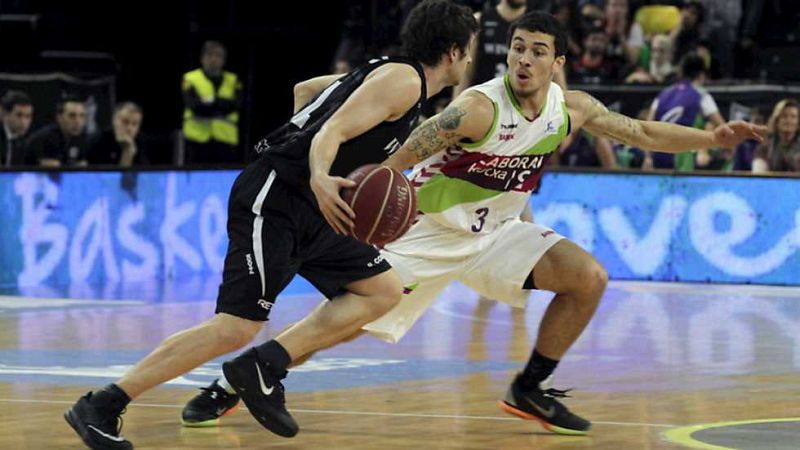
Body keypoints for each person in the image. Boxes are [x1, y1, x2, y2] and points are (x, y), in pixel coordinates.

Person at [178, 10, 764, 438]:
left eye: (538, 50)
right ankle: (239, 379)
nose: (524, 59)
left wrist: (710, 139)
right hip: (426, 232)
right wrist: (359, 184)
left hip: (495, 235)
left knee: (588, 278)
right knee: (348, 321)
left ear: (558, 62)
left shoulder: (573, 107)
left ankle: (529, 388)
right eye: (516, 48)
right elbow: (399, 156)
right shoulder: (477, 108)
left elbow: (641, 132)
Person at [64, 1, 478, 448]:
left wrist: (327, 167)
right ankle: (103, 403)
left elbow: (305, 92)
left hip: (318, 211)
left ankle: (264, 365)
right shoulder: (404, 80)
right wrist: (319, 172)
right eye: (470, 48)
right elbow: (331, 130)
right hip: (278, 196)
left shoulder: (387, 75)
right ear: (453, 51)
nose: (472, 59)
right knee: (236, 326)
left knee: (383, 290)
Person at [643, 52, 723, 171]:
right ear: (701, 75)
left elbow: (647, 128)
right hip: (683, 158)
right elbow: (721, 126)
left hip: (658, 156)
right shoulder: (701, 94)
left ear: (681, 73)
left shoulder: (662, 95)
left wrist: (648, 157)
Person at [182, 40, 242, 164]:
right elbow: (194, 105)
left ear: (223, 60)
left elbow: (236, 105)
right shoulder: (190, 78)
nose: (213, 59)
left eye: (218, 55)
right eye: (210, 55)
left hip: (226, 142)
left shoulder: (233, 80)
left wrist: (210, 101)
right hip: (196, 142)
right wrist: (221, 104)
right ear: (202, 58)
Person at [25, 94, 88, 167]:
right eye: (72, 116)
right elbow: (55, 173)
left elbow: (83, 168)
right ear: (59, 118)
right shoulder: (48, 138)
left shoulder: (79, 137)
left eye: (82, 116)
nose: (78, 121)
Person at [87, 102, 148, 167]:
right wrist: (127, 153)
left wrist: (128, 151)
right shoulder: (98, 140)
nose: (129, 128)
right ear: (114, 121)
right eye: (125, 122)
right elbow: (108, 176)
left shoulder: (140, 142)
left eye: (134, 124)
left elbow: (144, 174)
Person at [0, 90, 33, 167]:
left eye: (28, 116)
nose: (23, 122)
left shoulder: (25, 142)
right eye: (19, 115)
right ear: (5, 113)